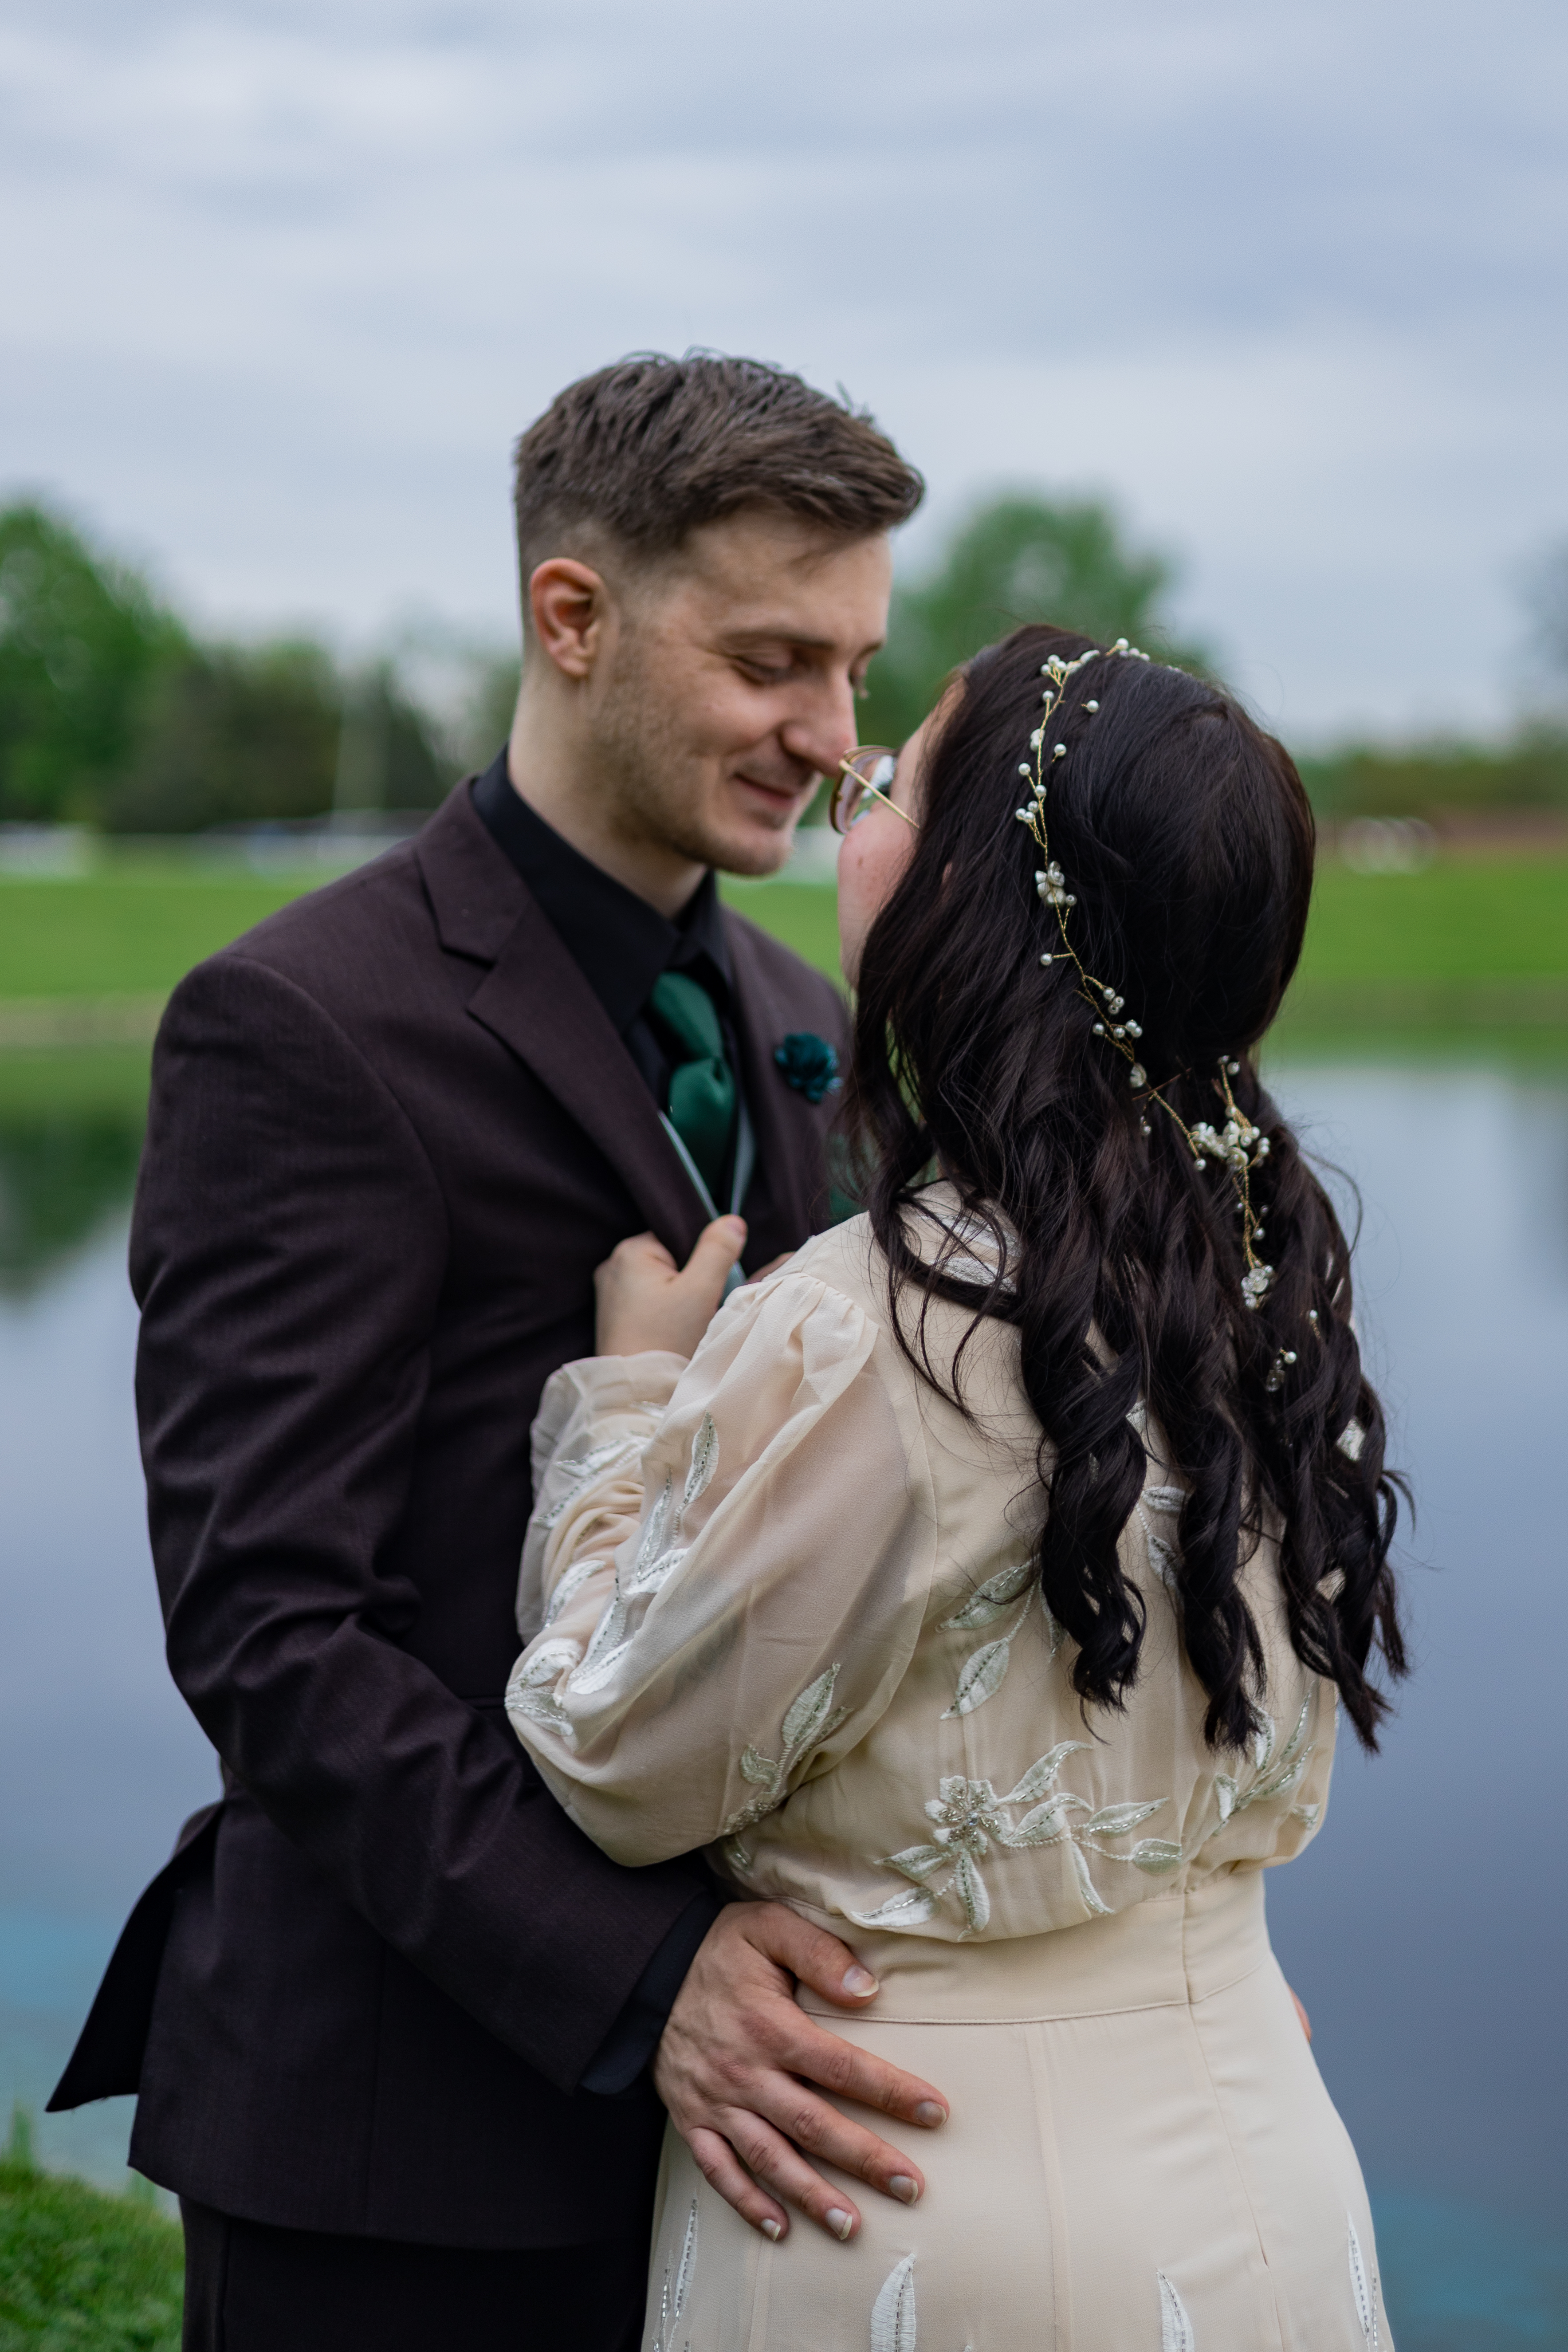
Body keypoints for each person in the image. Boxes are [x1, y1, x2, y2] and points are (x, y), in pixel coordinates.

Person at [48, 354, 952, 2352]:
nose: (832, 738)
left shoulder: (810, 1015)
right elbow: (271, 1633)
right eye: (771, 663)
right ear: (572, 617)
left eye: (855, 670)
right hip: (398, 2151)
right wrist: (647, 1972)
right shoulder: (300, 1022)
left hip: (752, 2166)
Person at [507, 624, 1410, 2349]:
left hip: (921, 2194)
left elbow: (612, 1751)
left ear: (980, 896)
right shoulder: (1266, 1274)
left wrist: (629, 1403)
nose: (848, 797)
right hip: (1258, 2148)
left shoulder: (873, 1326)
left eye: (894, 784)